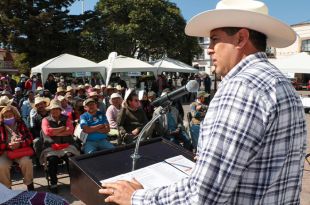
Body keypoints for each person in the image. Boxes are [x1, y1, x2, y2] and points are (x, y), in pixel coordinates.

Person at [99, 0, 307, 204]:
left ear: (241, 38)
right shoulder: (280, 82)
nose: (209, 49)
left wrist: (136, 198)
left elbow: (204, 195)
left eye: (215, 39)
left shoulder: (241, 87)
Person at [41, 99, 80, 193]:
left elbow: (70, 131)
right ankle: (53, 182)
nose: (54, 111)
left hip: (67, 145)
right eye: (52, 109)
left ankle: (74, 181)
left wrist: (54, 132)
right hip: (51, 146)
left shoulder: (66, 118)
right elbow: (47, 131)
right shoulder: (45, 119)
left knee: (70, 158)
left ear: (60, 109)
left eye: (56, 109)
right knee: (52, 160)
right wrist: (62, 129)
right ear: (50, 110)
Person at [0, 106, 34, 190]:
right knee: (1, 165)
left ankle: (29, 184)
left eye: (10, 115)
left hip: (20, 150)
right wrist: (8, 145)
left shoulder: (20, 123)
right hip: (5, 151)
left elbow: (30, 138)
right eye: (6, 116)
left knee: (26, 161)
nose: (8, 118)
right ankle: (7, 188)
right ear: (2, 117)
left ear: (14, 115)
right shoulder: (0, 126)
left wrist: (20, 144)